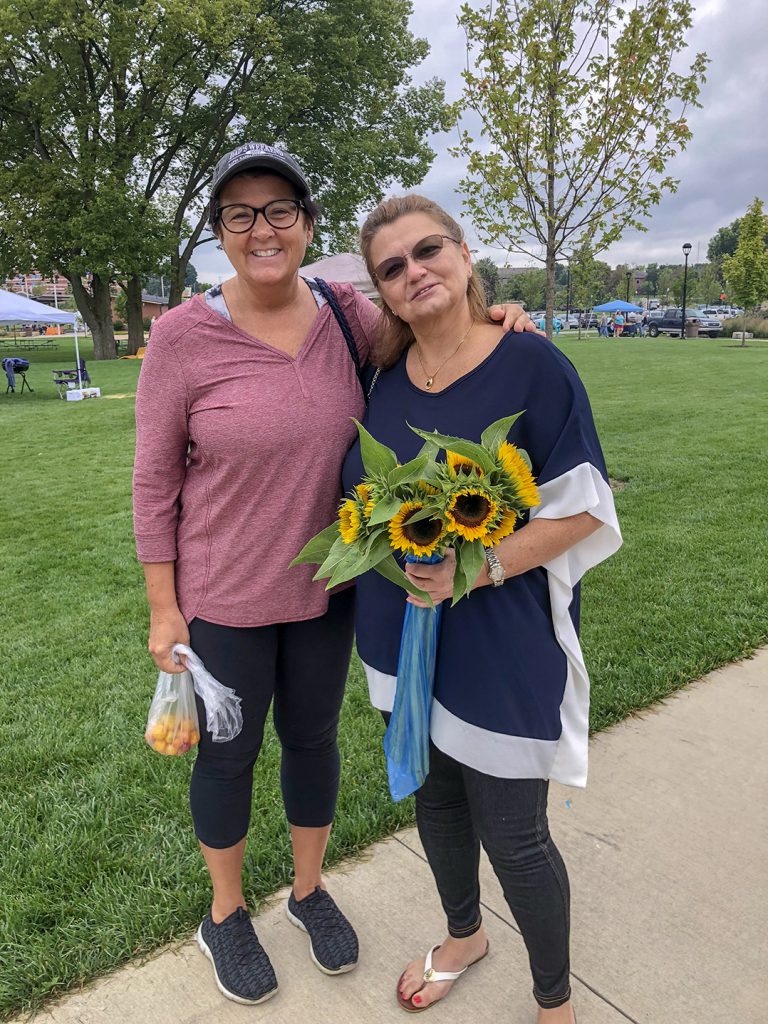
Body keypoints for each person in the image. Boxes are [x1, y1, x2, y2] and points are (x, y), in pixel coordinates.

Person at [132, 143, 540, 1006]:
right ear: (220, 235)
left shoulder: (343, 314)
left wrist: (491, 315)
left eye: (280, 209)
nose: (262, 228)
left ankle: (309, 892)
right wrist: (164, 609)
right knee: (228, 756)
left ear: (308, 226)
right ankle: (226, 912)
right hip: (225, 599)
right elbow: (154, 481)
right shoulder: (181, 336)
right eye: (239, 214)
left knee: (313, 743)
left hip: (329, 589)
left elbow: (427, 332)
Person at [343, 194, 622, 1023]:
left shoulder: (534, 365)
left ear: (466, 257)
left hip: (499, 637)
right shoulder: (383, 379)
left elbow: (583, 508)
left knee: (517, 834)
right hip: (404, 634)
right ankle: (463, 934)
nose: (414, 272)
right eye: (392, 268)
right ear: (383, 294)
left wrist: (485, 565)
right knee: (434, 798)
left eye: (428, 251)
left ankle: (555, 1003)